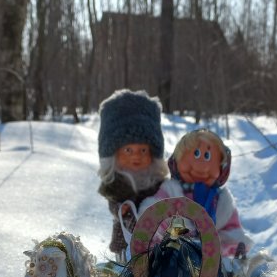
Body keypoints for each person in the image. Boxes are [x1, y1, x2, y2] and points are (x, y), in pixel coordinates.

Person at [140, 128, 252, 258]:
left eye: (207, 156)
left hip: (212, 266)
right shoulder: (170, 192)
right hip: (172, 260)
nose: (201, 165)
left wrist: (224, 248)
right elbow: (154, 218)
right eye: (196, 153)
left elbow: (232, 232)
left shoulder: (222, 202)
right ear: (177, 160)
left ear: (222, 167)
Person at [96, 89, 169, 261]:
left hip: (155, 236)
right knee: (126, 264)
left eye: (143, 150)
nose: (136, 156)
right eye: (128, 150)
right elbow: (113, 203)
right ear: (113, 154)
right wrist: (122, 210)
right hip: (125, 234)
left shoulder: (156, 182)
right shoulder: (116, 182)